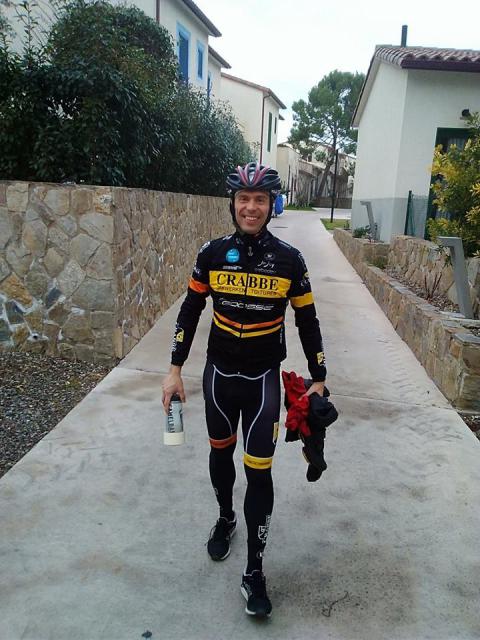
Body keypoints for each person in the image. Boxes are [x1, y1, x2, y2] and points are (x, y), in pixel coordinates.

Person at [162, 162, 326, 618]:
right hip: (218, 377)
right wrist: (174, 371)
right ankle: (225, 517)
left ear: (272, 205)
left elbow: (307, 320)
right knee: (220, 455)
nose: (250, 207)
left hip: (262, 382)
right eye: (243, 199)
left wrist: (319, 376)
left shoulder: (291, 260)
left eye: (259, 200)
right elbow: (189, 311)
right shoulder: (212, 253)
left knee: (258, 472)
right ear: (232, 204)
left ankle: (254, 571)